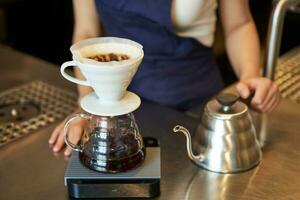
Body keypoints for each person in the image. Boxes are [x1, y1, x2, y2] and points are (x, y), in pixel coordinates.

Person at [49, 0, 281, 156]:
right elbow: (86, 33)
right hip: (115, 102)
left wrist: (250, 75)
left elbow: (239, 24)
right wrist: (87, 104)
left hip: (195, 105)